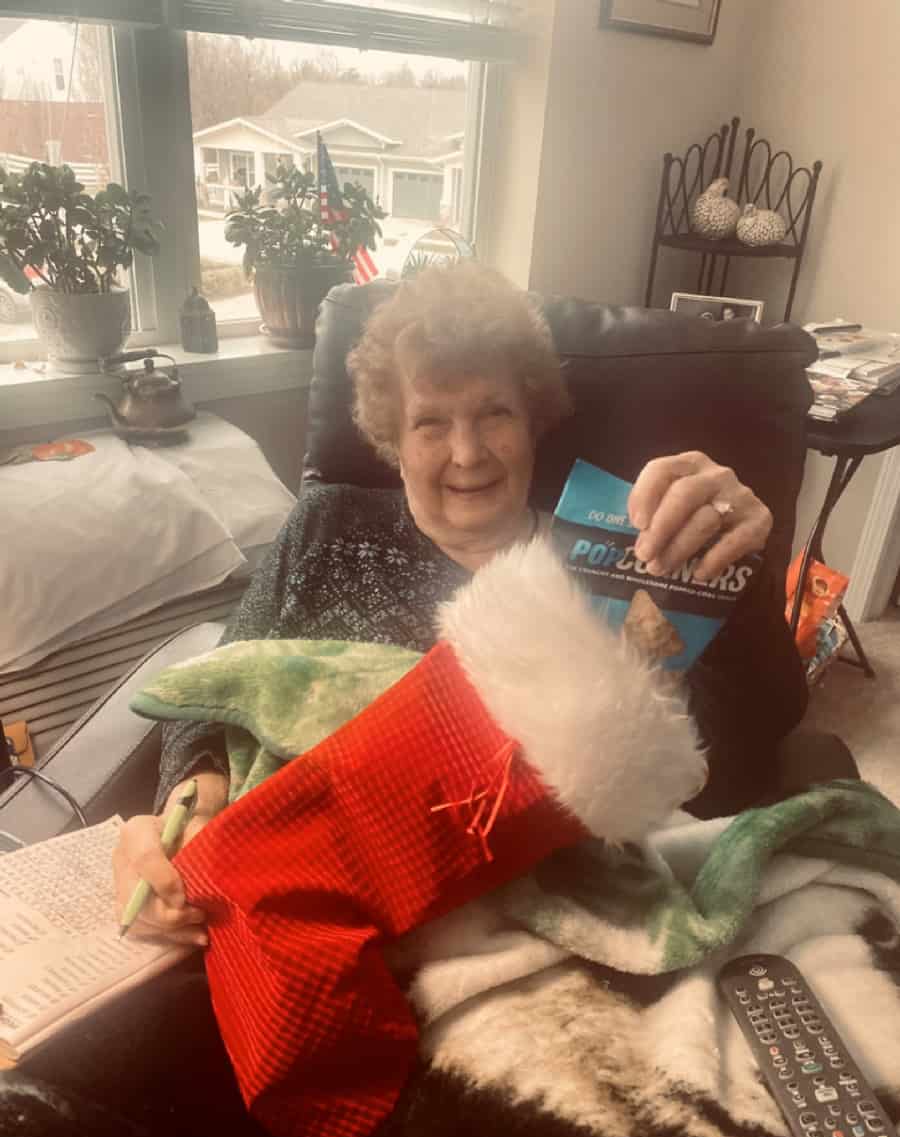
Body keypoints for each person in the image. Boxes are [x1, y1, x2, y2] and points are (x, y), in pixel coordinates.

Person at [112, 260, 805, 950]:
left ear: (533, 420)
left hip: (546, 930)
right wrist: (181, 819)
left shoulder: (623, 555)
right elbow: (216, 692)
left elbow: (751, 737)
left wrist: (740, 568)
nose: (468, 453)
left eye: (494, 413)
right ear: (392, 439)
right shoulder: (327, 527)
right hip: (316, 919)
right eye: (431, 423)